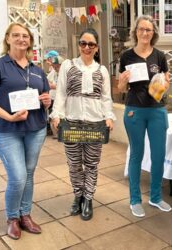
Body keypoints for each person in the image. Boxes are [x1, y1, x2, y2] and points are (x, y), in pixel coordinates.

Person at [0, 23, 51, 240]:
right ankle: (12, 217)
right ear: (8, 38)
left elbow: (44, 98)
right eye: (16, 35)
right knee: (17, 176)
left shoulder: (37, 70)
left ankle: (25, 214)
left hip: (35, 130)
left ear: (30, 41)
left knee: (28, 174)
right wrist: (9, 116)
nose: (22, 39)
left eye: (25, 36)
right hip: (7, 130)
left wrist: (46, 101)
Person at [50, 28, 115, 221]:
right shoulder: (68, 66)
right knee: (74, 164)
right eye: (83, 43)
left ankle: (88, 199)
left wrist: (109, 116)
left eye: (91, 44)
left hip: (95, 123)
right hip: (72, 122)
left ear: (96, 48)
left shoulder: (102, 70)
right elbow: (61, 93)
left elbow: (106, 98)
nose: (87, 47)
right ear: (79, 45)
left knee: (92, 164)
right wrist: (57, 114)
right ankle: (78, 195)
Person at [118, 15, 171, 218]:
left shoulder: (160, 56)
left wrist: (164, 84)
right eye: (141, 29)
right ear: (136, 32)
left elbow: (165, 84)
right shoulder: (126, 56)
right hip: (134, 110)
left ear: (153, 33)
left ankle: (156, 197)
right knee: (136, 155)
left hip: (157, 110)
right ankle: (134, 199)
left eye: (149, 30)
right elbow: (121, 88)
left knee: (158, 155)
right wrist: (122, 82)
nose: (145, 33)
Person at [47, 55, 64, 138]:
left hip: (62, 99)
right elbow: (46, 79)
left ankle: (60, 132)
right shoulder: (53, 72)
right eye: (53, 65)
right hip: (53, 97)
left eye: (56, 65)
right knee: (52, 115)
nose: (55, 67)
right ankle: (55, 134)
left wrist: (55, 86)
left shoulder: (65, 72)